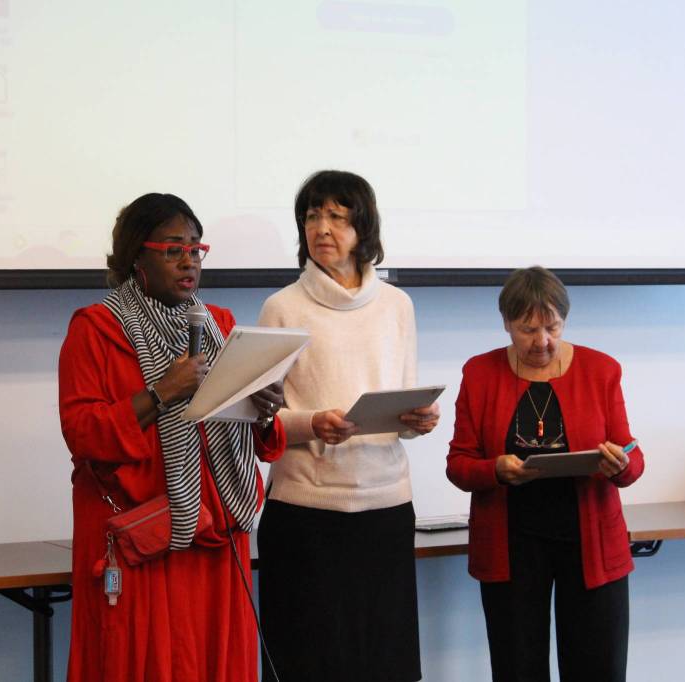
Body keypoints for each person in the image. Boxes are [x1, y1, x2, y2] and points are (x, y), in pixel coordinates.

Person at [58, 193, 286, 682]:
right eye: (172, 249)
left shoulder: (219, 324)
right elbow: (83, 433)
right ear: (136, 256)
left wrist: (265, 412)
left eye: (195, 249)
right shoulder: (97, 329)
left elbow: (241, 429)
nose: (189, 261)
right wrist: (163, 392)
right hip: (143, 533)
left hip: (214, 529)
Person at [256, 170, 440, 682]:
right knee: (308, 660)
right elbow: (257, 419)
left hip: (385, 509)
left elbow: (399, 393)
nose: (322, 227)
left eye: (337, 216)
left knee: (384, 660)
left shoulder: (397, 306)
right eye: (313, 216)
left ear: (365, 229)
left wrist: (415, 420)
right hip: (306, 514)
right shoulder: (282, 308)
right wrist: (311, 423)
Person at [446, 266, 645, 682]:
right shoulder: (480, 374)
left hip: (590, 543)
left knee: (598, 668)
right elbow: (459, 464)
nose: (542, 342)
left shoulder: (601, 370)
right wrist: (495, 470)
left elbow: (631, 453)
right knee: (517, 668)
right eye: (527, 330)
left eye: (552, 327)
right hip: (512, 545)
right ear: (506, 324)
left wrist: (621, 465)